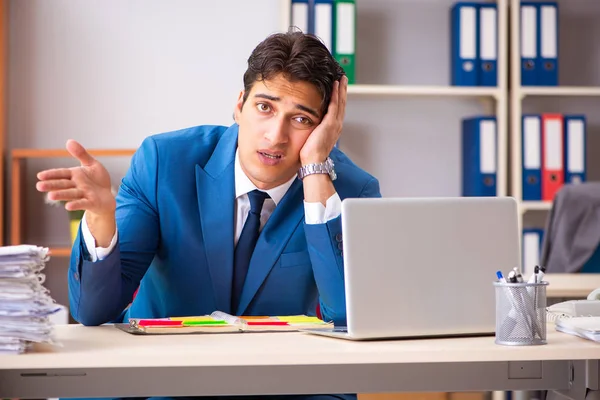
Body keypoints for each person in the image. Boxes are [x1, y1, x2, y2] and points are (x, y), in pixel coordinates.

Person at [36, 30, 381, 400]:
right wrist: (102, 216)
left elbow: (348, 319)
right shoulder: (164, 162)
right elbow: (93, 310)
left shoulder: (350, 191)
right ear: (239, 105)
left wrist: (315, 167)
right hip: (160, 378)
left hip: (281, 385)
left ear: (325, 127)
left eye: (301, 119)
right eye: (265, 107)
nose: (275, 136)